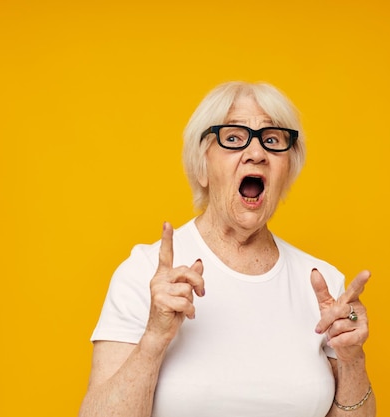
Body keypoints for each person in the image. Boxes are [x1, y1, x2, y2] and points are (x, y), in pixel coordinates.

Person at [78, 81, 375, 417]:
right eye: (233, 138)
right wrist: (154, 338)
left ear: (287, 170)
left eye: (272, 140)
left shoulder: (323, 286)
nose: (256, 153)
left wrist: (353, 361)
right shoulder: (143, 274)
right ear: (202, 167)